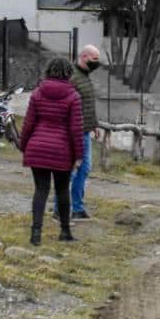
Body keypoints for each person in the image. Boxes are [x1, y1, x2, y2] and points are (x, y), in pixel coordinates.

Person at [19, 58, 84, 246]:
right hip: (62, 151)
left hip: (37, 147)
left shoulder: (37, 93)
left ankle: (35, 234)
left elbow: (28, 123)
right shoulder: (73, 97)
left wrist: (24, 146)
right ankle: (65, 232)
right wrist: (79, 155)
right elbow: (75, 130)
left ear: (48, 71)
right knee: (62, 191)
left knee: (40, 190)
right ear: (69, 73)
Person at [57, 45, 100, 221]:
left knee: (84, 169)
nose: (97, 63)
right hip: (73, 133)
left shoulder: (85, 77)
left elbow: (88, 104)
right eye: (95, 59)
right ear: (84, 56)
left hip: (85, 131)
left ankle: (77, 208)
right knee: (70, 171)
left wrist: (94, 124)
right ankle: (59, 209)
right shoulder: (72, 77)